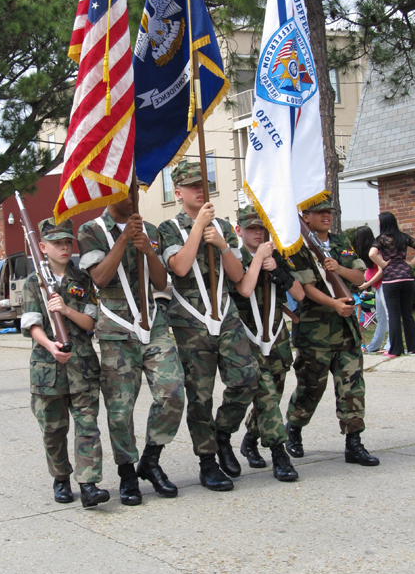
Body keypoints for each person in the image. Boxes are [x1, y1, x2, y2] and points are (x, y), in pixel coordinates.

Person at [158, 161, 259, 491]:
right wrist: (199, 228)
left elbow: (236, 275)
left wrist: (222, 244)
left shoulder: (224, 225)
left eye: (204, 184)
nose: (201, 190)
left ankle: (224, 433)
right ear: (178, 192)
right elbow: (181, 268)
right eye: (193, 186)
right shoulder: (170, 227)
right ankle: (207, 461)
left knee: (246, 379)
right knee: (199, 397)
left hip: (226, 317)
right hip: (190, 323)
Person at [78, 197, 184, 506]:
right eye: (122, 189)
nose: (129, 195)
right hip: (116, 330)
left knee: (173, 393)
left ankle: (150, 459)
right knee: (120, 411)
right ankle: (126, 472)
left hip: (153, 325)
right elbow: (99, 278)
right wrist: (124, 239)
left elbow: (162, 281)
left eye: (132, 188)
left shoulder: (150, 229)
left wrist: (148, 250)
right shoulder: (91, 230)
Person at [284, 195, 380, 467]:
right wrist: (334, 304)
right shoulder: (298, 247)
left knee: (352, 387)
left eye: (329, 211)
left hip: (346, 330)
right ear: (306, 217)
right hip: (316, 332)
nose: (326, 215)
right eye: (319, 211)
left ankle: (354, 443)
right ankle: (294, 430)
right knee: (311, 388)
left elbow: (360, 277)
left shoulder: (340, 243)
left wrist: (339, 269)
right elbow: (306, 289)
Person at [21, 217, 109, 509]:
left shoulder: (82, 279)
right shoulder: (34, 283)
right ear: (42, 247)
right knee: (53, 431)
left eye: (67, 242)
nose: (63, 247)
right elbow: (32, 324)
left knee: (88, 427)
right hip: (48, 369)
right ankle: (61, 478)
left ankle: (89, 484)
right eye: (56, 243)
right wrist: (50, 345)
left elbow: (90, 322)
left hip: (82, 366)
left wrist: (65, 309)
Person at [231, 206, 304, 481]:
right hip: (247, 339)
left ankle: (250, 438)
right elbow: (244, 289)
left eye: (261, 228)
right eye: (251, 228)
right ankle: (279, 454)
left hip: (276, 337)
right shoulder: (233, 256)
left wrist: (279, 273)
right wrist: (257, 260)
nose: (257, 233)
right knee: (266, 395)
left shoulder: (275, 258)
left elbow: (299, 294)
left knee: (275, 392)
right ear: (239, 230)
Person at [370, 212, 415, 357]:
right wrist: (411, 263)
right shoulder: (403, 237)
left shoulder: (381, 239)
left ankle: (395, 350)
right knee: (407, 313)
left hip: (391, 279)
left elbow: (372, 254)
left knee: (394, 314)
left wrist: (382, 263)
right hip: (407, 278)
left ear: (383, 223)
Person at [354, 226, 389, 354]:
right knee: (380, 316)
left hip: (384, 284)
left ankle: (391, 344)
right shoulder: (366, 253)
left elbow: (381, 270)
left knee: (389, 315)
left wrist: (366, 284)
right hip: (377, 287)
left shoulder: (376, 251)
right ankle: (374, 345)